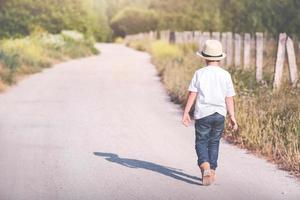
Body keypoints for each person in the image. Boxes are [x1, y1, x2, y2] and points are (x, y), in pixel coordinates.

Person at [182, 40, 238, 186]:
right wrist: (232, 116)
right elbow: (229, 97)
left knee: (201, 141)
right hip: (220, 114)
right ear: (219, 58)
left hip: (203, 114)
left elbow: (192, 94)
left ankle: (205, 166)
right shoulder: (225, 75)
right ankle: (212, 170)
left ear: (205, 57)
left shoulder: (199, 73)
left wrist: (186, 112)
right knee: (214, 142)